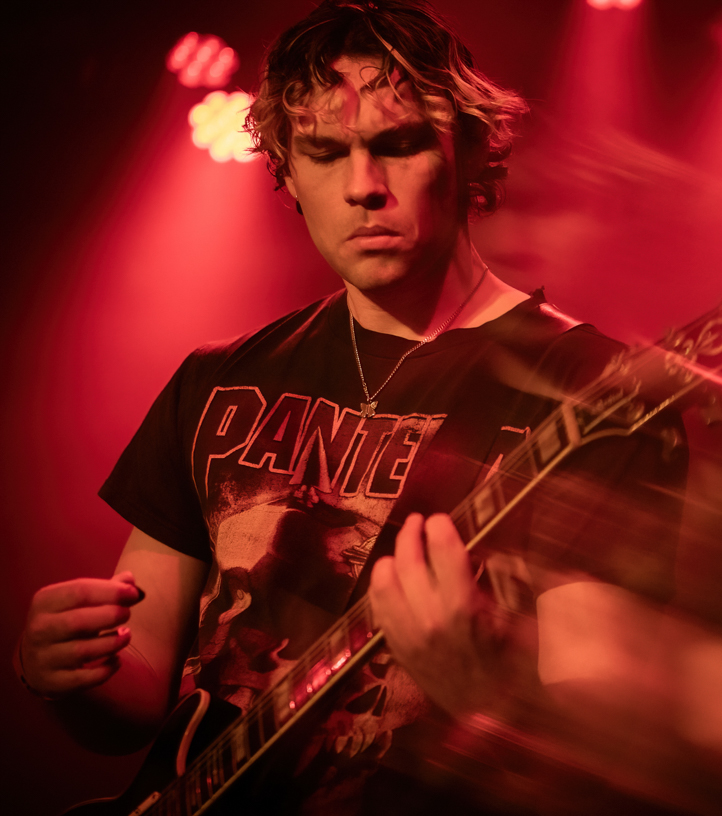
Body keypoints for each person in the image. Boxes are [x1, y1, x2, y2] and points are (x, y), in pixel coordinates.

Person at [14, 2, 685, 812]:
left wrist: (484, 692)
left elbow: (601, 756)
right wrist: (70, 676)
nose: (363, 187)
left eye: (397, 145)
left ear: (470, 151)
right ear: (288, 174)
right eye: (326, 154)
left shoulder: (594, 390)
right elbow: (137, 695)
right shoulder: (218, 379)